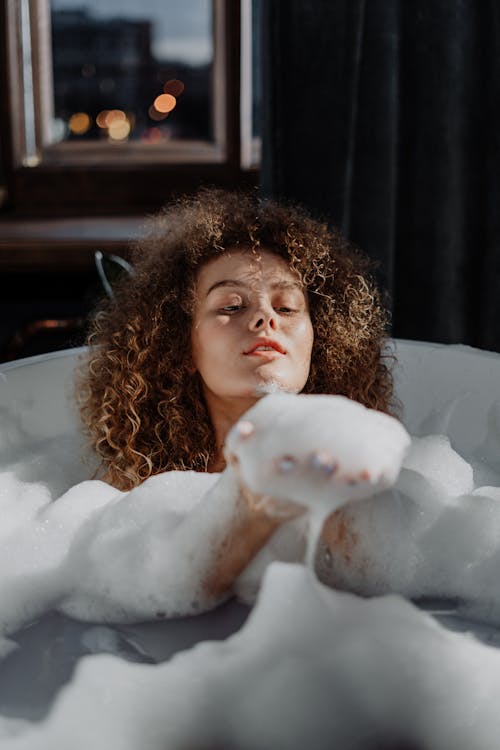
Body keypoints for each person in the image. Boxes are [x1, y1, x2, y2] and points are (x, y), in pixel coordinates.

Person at [78, 187, 397, 603]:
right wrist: (251, 511)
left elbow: (385, 586)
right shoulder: (137, 481)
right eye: (230, 306)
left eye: (286, 308)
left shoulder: (353, 459)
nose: (265, 317)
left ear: (320, 343)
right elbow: (121, 591)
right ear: (181, 346)